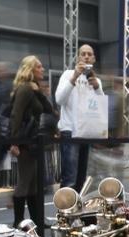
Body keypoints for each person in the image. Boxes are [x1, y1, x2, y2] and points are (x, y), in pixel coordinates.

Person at [9, 55, 56, 236]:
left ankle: (35, 221)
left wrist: (38, 92)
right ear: (30, 69)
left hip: (34, 142)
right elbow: (16, 115)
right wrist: (13, 142)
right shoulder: (24, 89)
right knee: (25, 183)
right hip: (25, 142)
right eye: (39, 66)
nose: (42, 69)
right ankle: (18, 222)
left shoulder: (33, 89)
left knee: (33, 184)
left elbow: (48, 110)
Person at [55, 44, 103, 192]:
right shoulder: (67, 74)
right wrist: (74, 77)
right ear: (78, 58)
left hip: (86, 132)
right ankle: (65, 213)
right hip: (70, 131)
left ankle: (77, 213)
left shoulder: (96, 80)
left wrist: (97, 88)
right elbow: (59, 100)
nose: (86, 56)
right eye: (83, 54)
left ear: (94, 58)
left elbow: (101, 108)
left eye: (89, 54)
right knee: (70, 179)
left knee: (81, 180)